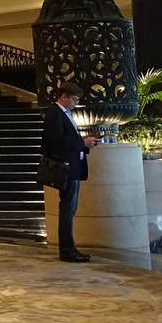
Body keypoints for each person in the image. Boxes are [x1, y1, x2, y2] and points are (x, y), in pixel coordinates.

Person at [42, 86, 99, 263]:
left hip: (73, 166)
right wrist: (83, 143)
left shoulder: (64, 113)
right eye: (74, 99)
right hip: (66, 167)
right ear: (64, 96)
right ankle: (66, 249)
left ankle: (69, 248)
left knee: (70, 208)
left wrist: (84, 144)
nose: (76, 103)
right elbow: (58, 141)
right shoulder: (55, 113)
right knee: (67, 209)